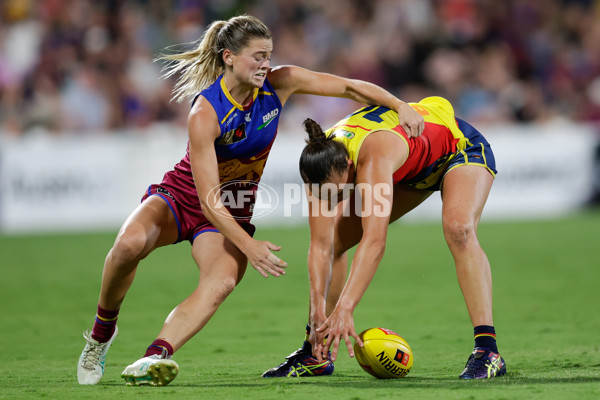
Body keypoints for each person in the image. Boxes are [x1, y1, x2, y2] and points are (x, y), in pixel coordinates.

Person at [76, 14, 425, 386]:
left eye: (269, 55)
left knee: (221, 282)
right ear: (228, 56)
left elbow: (349, 88)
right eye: (257, 56)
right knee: (129, 245)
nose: (266, 64)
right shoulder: (205, 112)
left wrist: (399, 104)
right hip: (185, 197)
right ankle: (101, 334)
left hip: (233, 209)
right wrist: (250, 247)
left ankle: (153, 357)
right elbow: (209, 199)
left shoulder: (280, 83)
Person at [262, 96, 507, 380]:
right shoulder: (319, 162)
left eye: (339, 193)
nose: (333, 200)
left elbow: (374, 241)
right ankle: (317, 352)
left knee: (459, 229)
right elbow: (320, 246)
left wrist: (346, 307)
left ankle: (487, 350)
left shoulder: (372, 160)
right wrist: (318, 309)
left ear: (349, 167)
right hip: (414, 165)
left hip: (458, 149)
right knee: (335, 241)